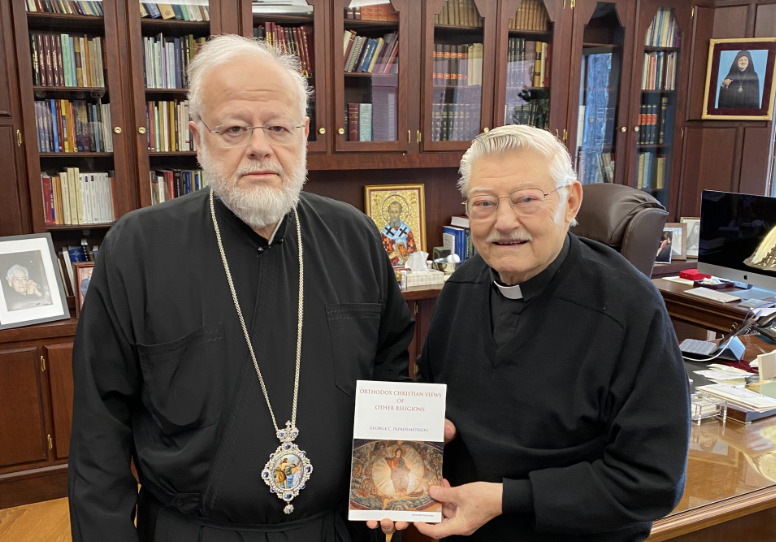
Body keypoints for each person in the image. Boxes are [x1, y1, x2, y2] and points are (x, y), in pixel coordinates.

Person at [68, 34, 414, 542]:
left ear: (303, 133)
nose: (260, 146)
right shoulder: (136, 248)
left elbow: (390, 369)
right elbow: (100, 428)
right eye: (234, 128)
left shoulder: (354, 236)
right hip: (196, 532)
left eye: (278, 127)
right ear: (197, 137)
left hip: (334, 528)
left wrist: (395, 488)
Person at [413, 125, 691, 541]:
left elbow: (653, 480)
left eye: (526, 199)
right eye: (484, 203)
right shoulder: (461, 286)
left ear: (570, 201)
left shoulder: (629, 307)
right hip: (458, 527)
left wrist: (506, 499)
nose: (504, 221)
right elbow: (430, 391)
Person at [380, 200, 417, 266]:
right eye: (392, 212)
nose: (394, 215)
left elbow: (413, 251)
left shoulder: (407, 231)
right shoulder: (384, 233)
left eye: (396, 212)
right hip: (390, 267)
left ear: (400, 213)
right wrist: (391, 255)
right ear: (389, 213)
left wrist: (405, 255)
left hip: (406, 267)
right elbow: (380, 254)